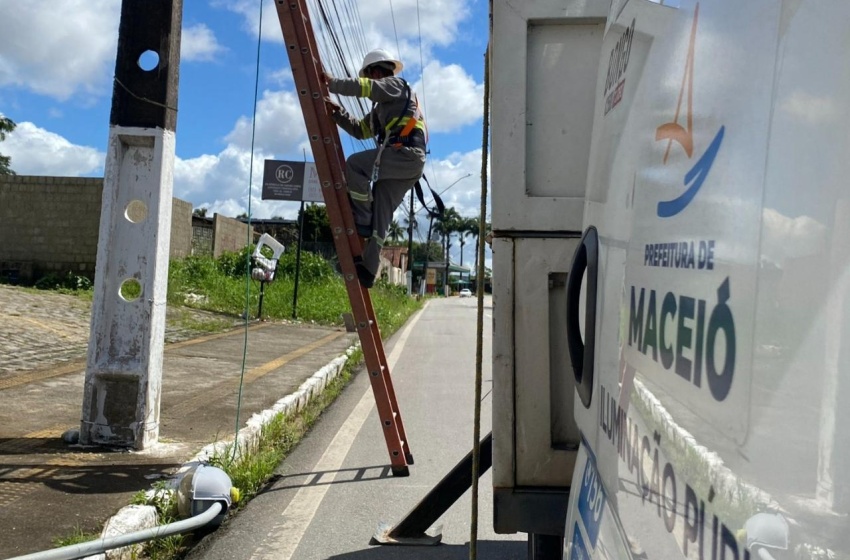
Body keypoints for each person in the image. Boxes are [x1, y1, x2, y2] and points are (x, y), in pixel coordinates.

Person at [324, 49, 427, 288]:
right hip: (406, 162)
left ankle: (362, 217)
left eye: (370, 76)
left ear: (377, 72)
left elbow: (367, 89)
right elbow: (360, 131)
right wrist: (337, 113)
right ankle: (369, 270)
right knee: (382, 213)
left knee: (355, 165)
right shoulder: (382, 110)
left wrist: (331, 83)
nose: (370, 81)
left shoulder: (395, 85)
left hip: (404, 155)